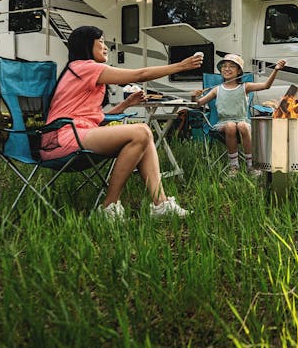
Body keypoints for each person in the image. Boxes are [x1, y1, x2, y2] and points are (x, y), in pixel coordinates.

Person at [40, 25, 203, 220]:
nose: (106, 47)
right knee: (141, 131)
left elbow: (96, 119)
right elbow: (139, 75)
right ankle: (108, 207)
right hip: (63, 138)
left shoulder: (80, 71)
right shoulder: (85, 67)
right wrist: (180, 66)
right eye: (100, 41)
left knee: (144, 136)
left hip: (72, 135)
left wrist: (125, 104)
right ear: (86, 44)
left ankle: (160, 204)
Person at [194, 54, 286, 175]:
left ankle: (251, 164)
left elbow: (266, 86)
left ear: (239, 72)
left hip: (243, 120)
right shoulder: (217, 89)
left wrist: (276, 70)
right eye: (224, 66)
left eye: (232, 66)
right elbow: (199, 103)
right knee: (231, 125)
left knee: (242, 125)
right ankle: (234, 166)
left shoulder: (245, 87)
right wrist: (194, 96)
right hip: (223, 123)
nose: (227, 69)